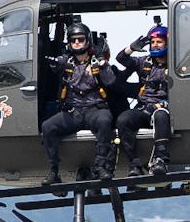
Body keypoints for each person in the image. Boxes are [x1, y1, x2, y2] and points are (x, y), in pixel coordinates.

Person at [40, 22, 117, 186]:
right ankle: (54, 171)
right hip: (73, 112)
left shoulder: (96, 62)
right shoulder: (66, 62)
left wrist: (103, 65)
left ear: (87, 41)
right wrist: (52, 62)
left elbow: (110, 81)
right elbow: (56, 63)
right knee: (47, 127)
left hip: (94, 109)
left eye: (80, 39)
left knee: (105, 120)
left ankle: (100, 166)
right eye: (73, 40)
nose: (76, 43)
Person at [114, 24, 172, 178]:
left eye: (159, 42)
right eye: (153, 42)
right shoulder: (143, 62)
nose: (155, 45)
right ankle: (135, 164)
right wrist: (132, 48)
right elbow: (121, 58)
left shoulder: (175, 64)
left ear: (167, 43)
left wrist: (162, 105)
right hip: (144, 108)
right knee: (123, 120)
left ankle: (160, 160)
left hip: (163, 110)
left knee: (161, 115)